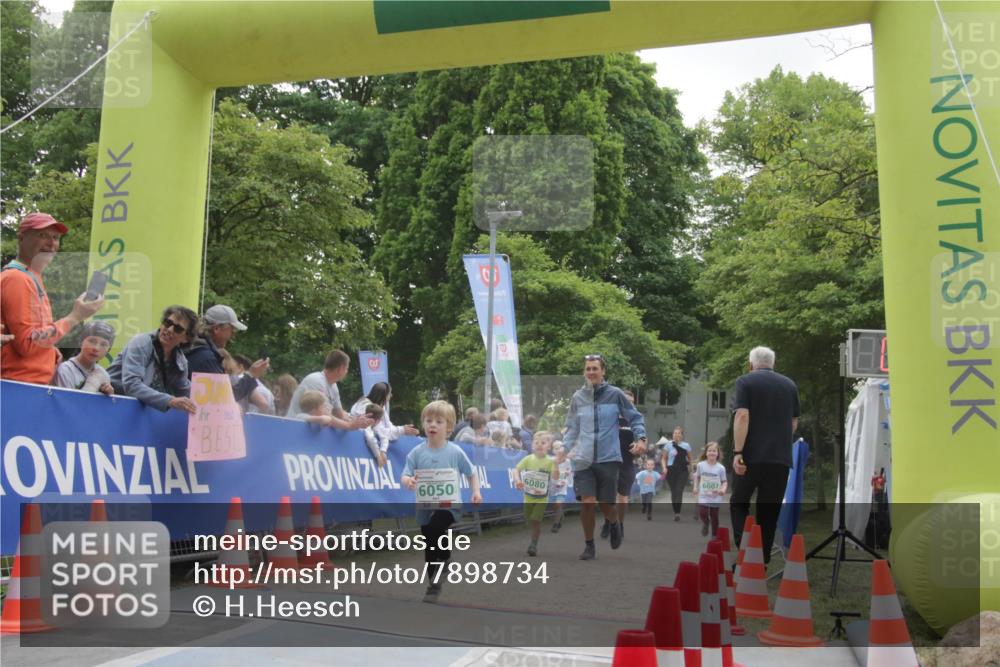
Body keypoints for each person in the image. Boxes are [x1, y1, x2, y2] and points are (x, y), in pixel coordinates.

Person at [1, 212, 104, 383]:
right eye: (42, 235)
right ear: (21, 238)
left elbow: (30, 338)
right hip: (19, 386)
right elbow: (27, 344)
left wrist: (48, 349)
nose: (51, 243)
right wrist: (74, 317)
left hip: (25, 385)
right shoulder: (17, 279)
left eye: (56, 237)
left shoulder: (30, 276)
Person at [563, 354, 647, 560]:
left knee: (606, 504)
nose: (591, 372)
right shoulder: (577, 398)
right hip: (584, 458)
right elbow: (572, 427)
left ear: (603, 371)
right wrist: (563, 449)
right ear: (584, 372)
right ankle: (589, 545)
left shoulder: (615, 394)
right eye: (588, 369)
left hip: (608, 458)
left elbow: (635, 417)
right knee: (587, 502)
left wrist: (641, 438)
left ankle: (614, 522)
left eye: (595, 368)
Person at [400, 400, 482, 603]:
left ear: (449, 427)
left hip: (449, 506)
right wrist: (408, 481)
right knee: (429, 543)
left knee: (437, 526)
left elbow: (471, 473)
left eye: (438, 421)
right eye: (428, 421)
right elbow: (405, 475)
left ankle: (443, 562)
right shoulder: (416, 452)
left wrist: (475, 492)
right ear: (423, 424)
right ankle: (434, 582)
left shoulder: (454, 451)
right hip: (425, 506)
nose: (432, 425)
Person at [730, 346, 800, 564]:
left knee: (739, 502)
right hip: (780, 458)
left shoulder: (745, 381)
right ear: (773, 363)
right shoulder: (790, 385)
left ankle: (745, 549)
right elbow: (793, 422)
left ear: (751, 364)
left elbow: (742, 416)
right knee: (769, 511)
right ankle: (762, 561)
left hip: (751, 456)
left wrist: (738, 452)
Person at [107, 305, 198, 413]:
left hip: (139, 413)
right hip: (110, 405)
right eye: (167, 323)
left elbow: (186, 392)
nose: (169, 329)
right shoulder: (141, 342)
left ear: (186, 338)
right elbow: (131, 385)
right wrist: (170, 400)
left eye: (178, 329)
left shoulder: (180, 361)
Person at [186, 304, 268, 401]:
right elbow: (225, 399)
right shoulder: (206, 358)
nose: (233, 335)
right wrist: (251, 375)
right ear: (216, 329)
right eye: (232, 330)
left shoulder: (196, 349)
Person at [286, 350, 368, 430]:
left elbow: (339, 413)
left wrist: (356, 420)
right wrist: (349, 425)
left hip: (307, 431)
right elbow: (324, 414)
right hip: (294, 429)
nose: (346, 372)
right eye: (346, 369)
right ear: (340, 369)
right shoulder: (316, 381)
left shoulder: (333, 385)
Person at [603, 389, 639, 541]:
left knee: (623, 498)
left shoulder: (636, 420)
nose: (629, 404)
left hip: (627, 463)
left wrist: (639, 446)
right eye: (626, 401)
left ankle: (620, 525)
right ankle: (608, 522)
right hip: (610, 463)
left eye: (631, 402)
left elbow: (643, 440)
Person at [514, 431, 557, 557]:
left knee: (535, 520)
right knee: (530, 520)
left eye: (543, 443)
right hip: (528, 497)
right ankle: (534, 537)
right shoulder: (528, 459)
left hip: (541, 498)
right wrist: (518, 480)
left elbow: (555, 476)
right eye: (536, 442)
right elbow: (516, 470)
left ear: (549, 447)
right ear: (532, 445)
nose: (539, 445)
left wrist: (556, 467)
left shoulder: (550, 461)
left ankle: (533, 545)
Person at [349, 382, 419, 452]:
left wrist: (402, 429)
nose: (391, 395)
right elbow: (379, 432)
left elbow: (388, 427)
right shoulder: (366, 407)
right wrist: (402, 430)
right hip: (358, 446)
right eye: (389, 393)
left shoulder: (379, 407)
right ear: (383, 396)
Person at [54, 321, 116, 395]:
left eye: (103, 344)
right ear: (81, 341)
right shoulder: (65, 370)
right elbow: (65, 401)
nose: (96, 348)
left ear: (108, 350)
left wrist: (108, 396)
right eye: (92, 341)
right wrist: (92, 384)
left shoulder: (104, 375)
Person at [694, 442, 728, 537]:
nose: (712, 452)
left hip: (715, 495)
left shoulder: (721, 468)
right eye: (709, 450)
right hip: (704, 495)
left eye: (714, 451)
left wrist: (723, 490)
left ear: (717, 453)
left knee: (714, 516)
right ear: (706, 453)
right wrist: (695, 487)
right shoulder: (701, 465)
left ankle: (714, 536)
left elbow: (724, 481)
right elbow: (697, 477)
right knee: (703, 513)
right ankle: (706, 523)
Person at [660, 426, 692, 522]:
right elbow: (663, 458)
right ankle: (675, 511)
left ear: (682, 435)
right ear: (673, 434)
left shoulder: (686, 445)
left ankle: (678, 513)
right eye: (675, 433)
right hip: (671, 470)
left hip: (682, 470)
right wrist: (664, 468)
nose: (676, 435)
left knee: (679, 490)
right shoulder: (668, 445)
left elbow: (690, 459)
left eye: (679, 433)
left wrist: (691, 471)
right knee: (674, 491)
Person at [549, 442, 572, 532]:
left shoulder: (567, 461)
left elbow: (568, 472)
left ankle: (555, 524)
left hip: (562, 487)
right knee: (555, 506)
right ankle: (560, 517)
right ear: (553, 450)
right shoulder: (550, 460)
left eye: (560, 448)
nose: (558, 450)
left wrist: (565, 475)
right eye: (556, 448)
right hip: (552, 487)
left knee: (558, 504)